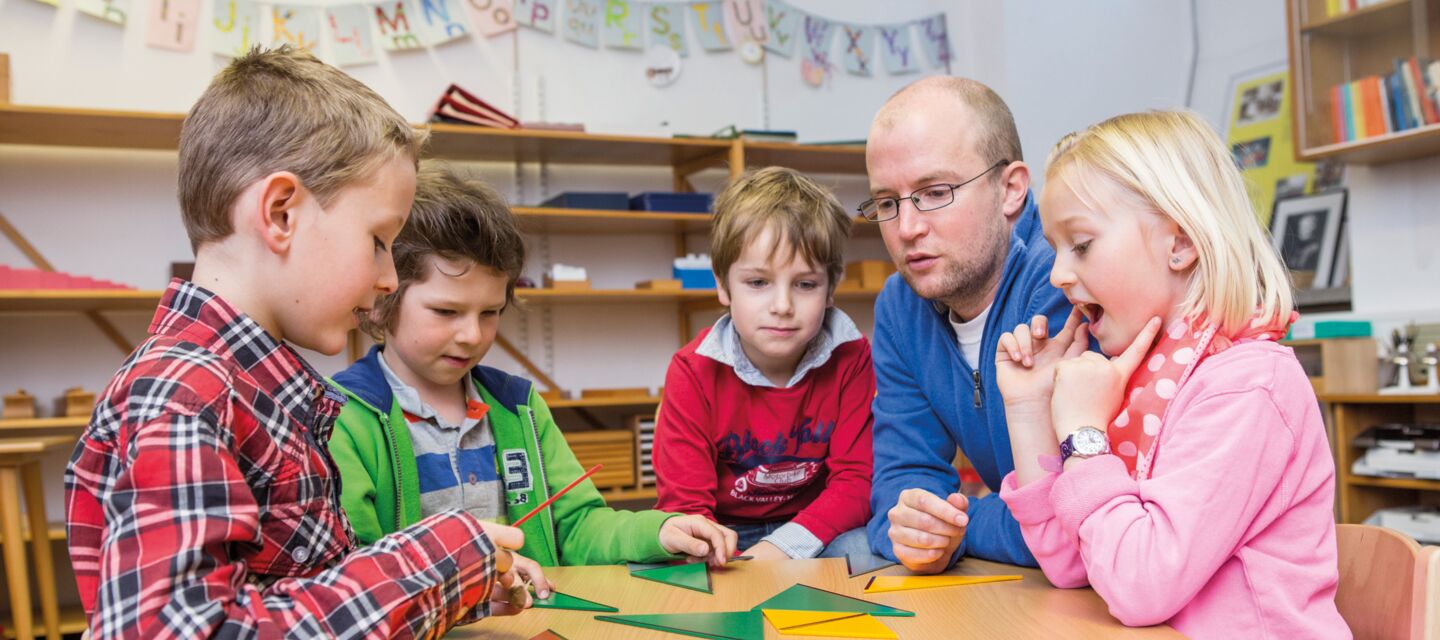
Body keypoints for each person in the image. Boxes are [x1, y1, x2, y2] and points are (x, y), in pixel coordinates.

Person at [65, 47, 525, 639]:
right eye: (379, 240)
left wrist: (457, 587)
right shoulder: (182, 395)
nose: (389, 278)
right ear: (281, 213)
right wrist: (437, 560)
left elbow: (299, 594)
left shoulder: (253, 389)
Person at [995, 110, 1347, 638]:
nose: (1059, 274)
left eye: (1082, 245)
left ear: (1179, 244)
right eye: (1056, 249)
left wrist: (1085, 438)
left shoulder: (1248, 386)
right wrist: (1028, 410)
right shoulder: (1140, 384)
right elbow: (1072, 567)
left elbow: (1140, 584)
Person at [329, 161, 738, 580]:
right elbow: (354, 568)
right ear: (383, 298)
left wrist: (658, 531)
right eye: (446, 311)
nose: (472, 334)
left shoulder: (518, 407)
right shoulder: (341, 416)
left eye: (490, 312)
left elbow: (579, 527)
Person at [864, 76, 1073, 572]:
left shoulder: (1071, 281)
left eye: (935, 192)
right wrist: (915, 529)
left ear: (1011, 190)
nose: (907, 229)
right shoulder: (900, 304)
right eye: (888, 203)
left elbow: (1078, 518)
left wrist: (960, 528)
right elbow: (901, 483)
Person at [655, 167, 874, 562]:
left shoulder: (852, 357)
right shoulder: (692, 370)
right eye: (758, 283)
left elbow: (857, 483)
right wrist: (713, 551)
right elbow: (687, 504)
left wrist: (782, 548)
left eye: (805, 284)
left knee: (866, 551)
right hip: (724, 531)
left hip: (817, 527)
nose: (782, 306)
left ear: (830, 290)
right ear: (722, 285)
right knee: (663, 564)